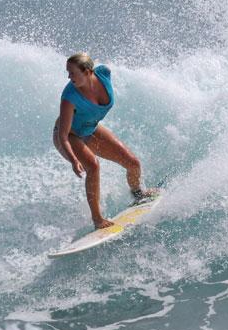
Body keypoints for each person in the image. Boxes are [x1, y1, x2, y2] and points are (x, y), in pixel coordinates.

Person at [53, 52, 158, 229]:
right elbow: (63, 136)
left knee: (133, 163)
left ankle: (138, 194)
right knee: (93, 166)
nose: (69, 77)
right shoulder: (69, 96)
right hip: (70, 136)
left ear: (87, 72)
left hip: (90, 129)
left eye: (72, 73)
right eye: (68, 73)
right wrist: (73, 160)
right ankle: (97, 219)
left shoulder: (103, 73)